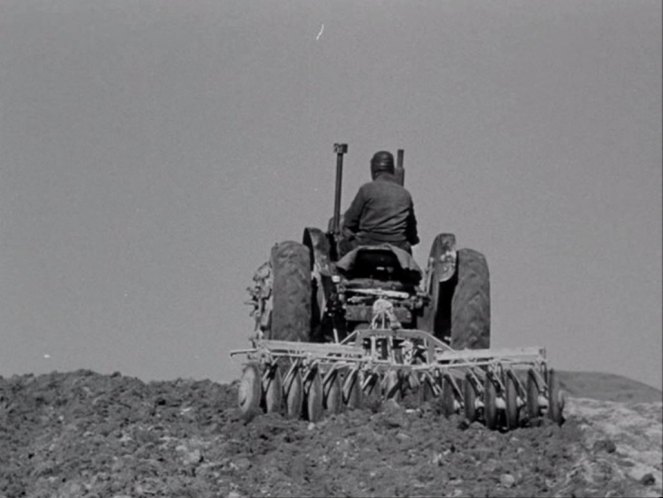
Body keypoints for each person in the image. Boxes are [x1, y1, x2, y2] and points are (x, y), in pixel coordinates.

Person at [340, 150, 419, 255]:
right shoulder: (405, 195)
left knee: (342, 245)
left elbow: (350, 222)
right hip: (397, 249)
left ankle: (342, 270)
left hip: (365, 245)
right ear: (392, 170)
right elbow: (412, 235)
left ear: (373, 170)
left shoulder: (366, 189)